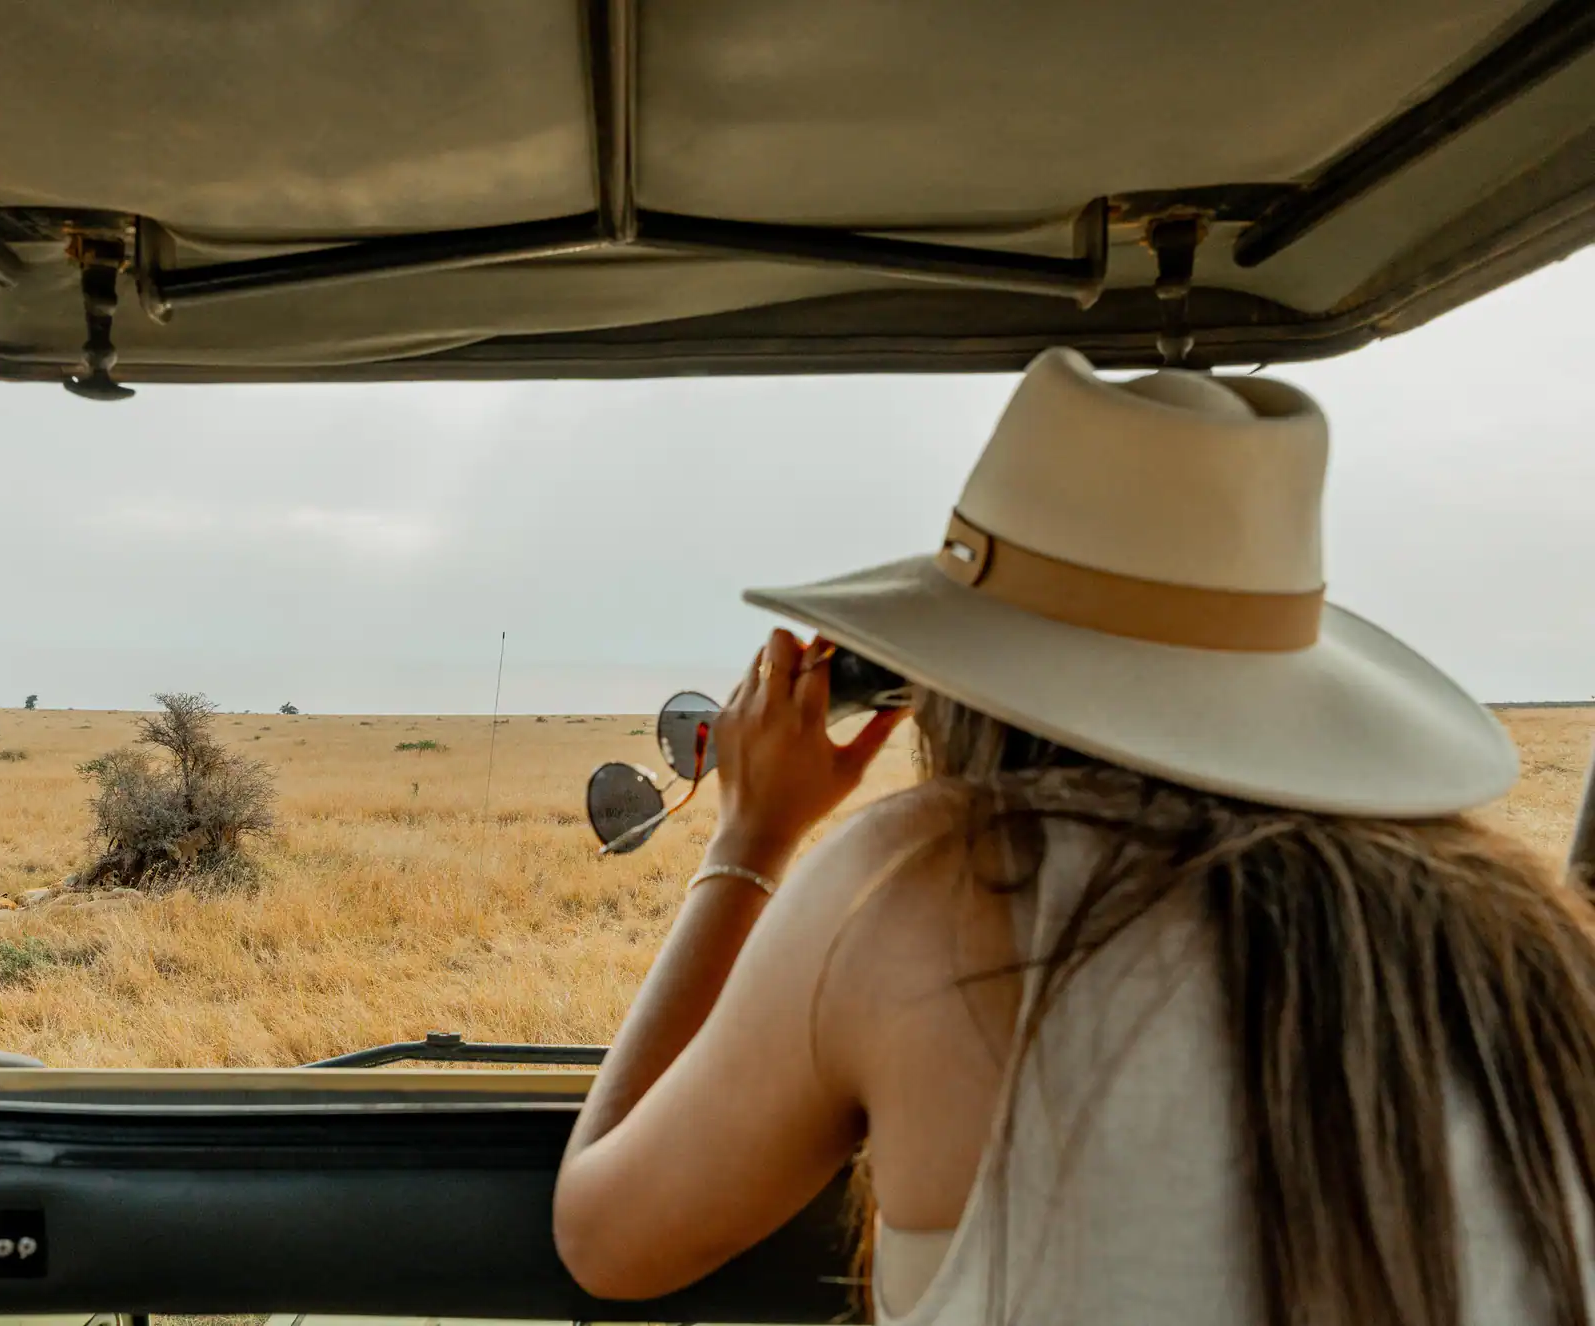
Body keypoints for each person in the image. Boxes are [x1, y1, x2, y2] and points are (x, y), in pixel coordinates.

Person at [551, 347, 1595, 1326]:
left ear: (953, 684)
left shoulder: (935, 888)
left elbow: (605, 1238)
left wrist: (754, 837)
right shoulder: (1533, 948)